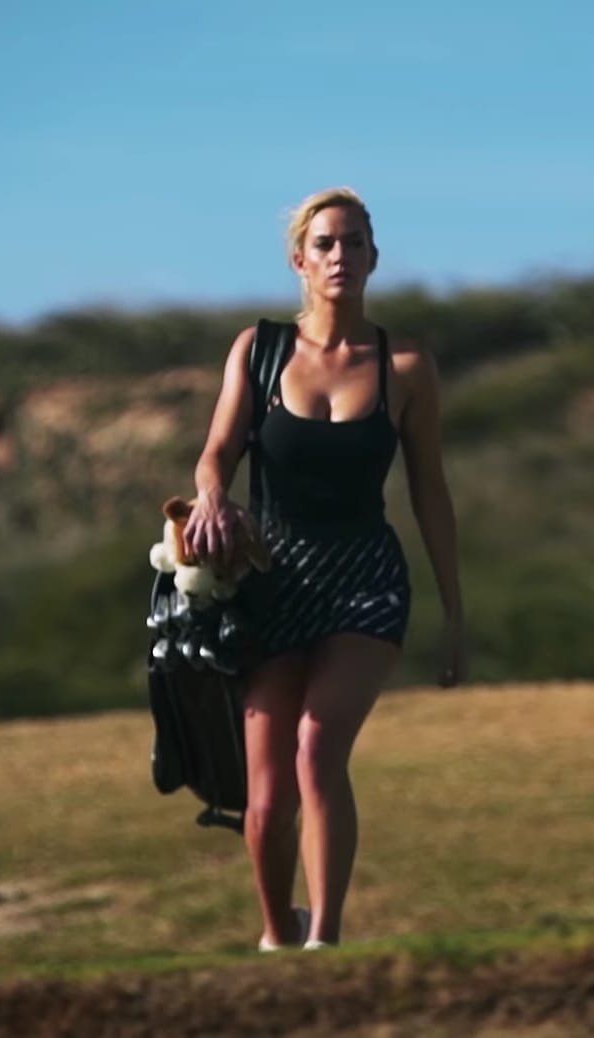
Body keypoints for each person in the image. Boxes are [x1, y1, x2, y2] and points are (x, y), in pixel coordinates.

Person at [182, 187, 466, 952]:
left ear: (374, 256)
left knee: (318, 748)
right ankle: (281, 937)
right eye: (326, 243)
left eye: (355, 242)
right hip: (273, 582)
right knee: (267, 798)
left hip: (365, 580)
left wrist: (454, 613)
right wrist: (212, 496)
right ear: (299, 259)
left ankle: (327, 942)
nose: (341, 255)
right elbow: (217, 453)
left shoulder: (406, 366)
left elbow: (429, 490)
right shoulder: (260, 348)